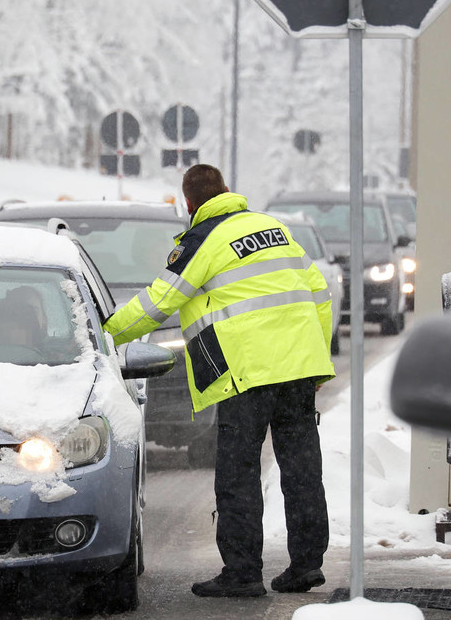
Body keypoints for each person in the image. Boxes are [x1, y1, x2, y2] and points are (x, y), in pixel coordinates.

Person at [103, 164, 335, 598]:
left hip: (247, 375)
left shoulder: (202, 240)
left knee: (238, 473)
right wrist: (316, 362)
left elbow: (158, 302)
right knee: (302, 469)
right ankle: (306, 566)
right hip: (298, 370)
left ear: (189, 204)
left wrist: (103, 335)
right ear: (228, 191)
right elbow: (318, 294)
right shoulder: (275, 228)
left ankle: (243, 573)